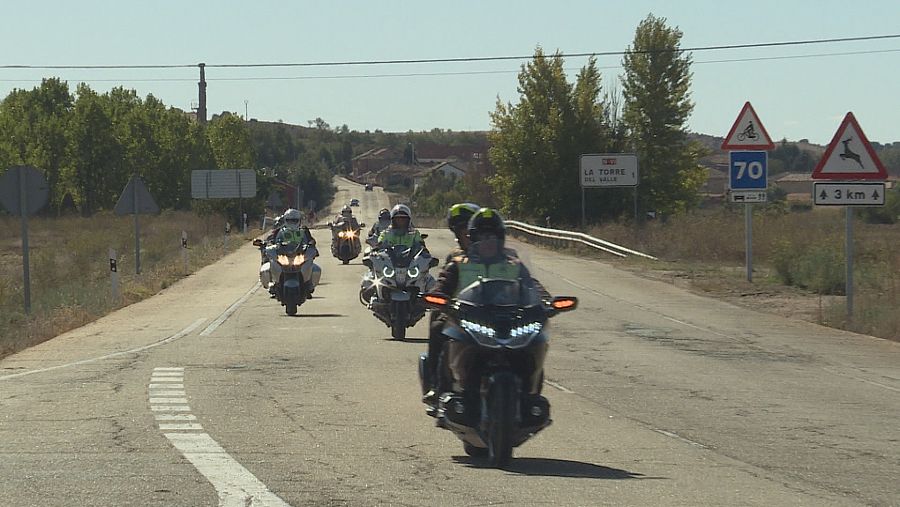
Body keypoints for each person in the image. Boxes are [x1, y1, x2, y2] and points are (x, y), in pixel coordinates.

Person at [422, 207, 548, 405]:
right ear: (473, 239)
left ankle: (531, 394)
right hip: (466, 317)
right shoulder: (459, 263)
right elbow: (443, 284)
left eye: (493, 236)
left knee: (535, 338)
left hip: (508, 319)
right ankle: (438, 388)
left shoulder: (513, 264)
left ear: (501, 238)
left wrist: (545, 301)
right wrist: (438, 296)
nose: (488, 241)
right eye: (482, 236)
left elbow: (532, 285)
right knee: (440, 328)